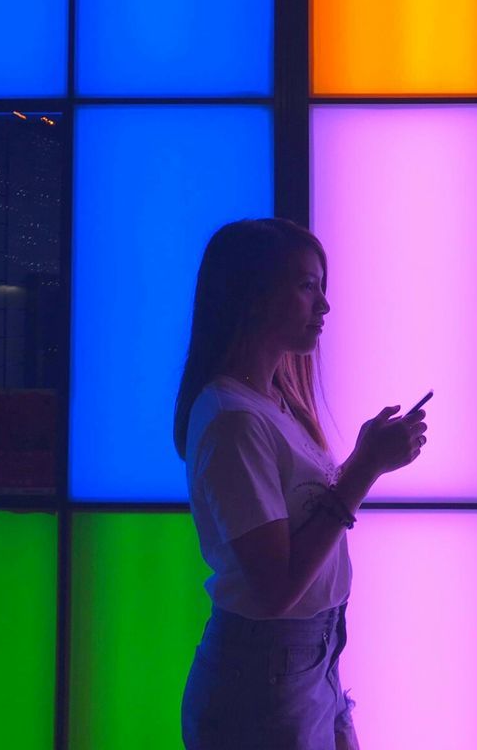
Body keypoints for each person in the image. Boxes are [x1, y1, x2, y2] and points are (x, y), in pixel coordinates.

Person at [175, 218, 428, 750]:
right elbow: (276, 588)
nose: (324, 305)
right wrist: (363, 470)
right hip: (267, 670)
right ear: (252, 293)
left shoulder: (273, 401)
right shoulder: (233, 417)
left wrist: (364, 458)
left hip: (310, 659)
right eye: (306, 285)